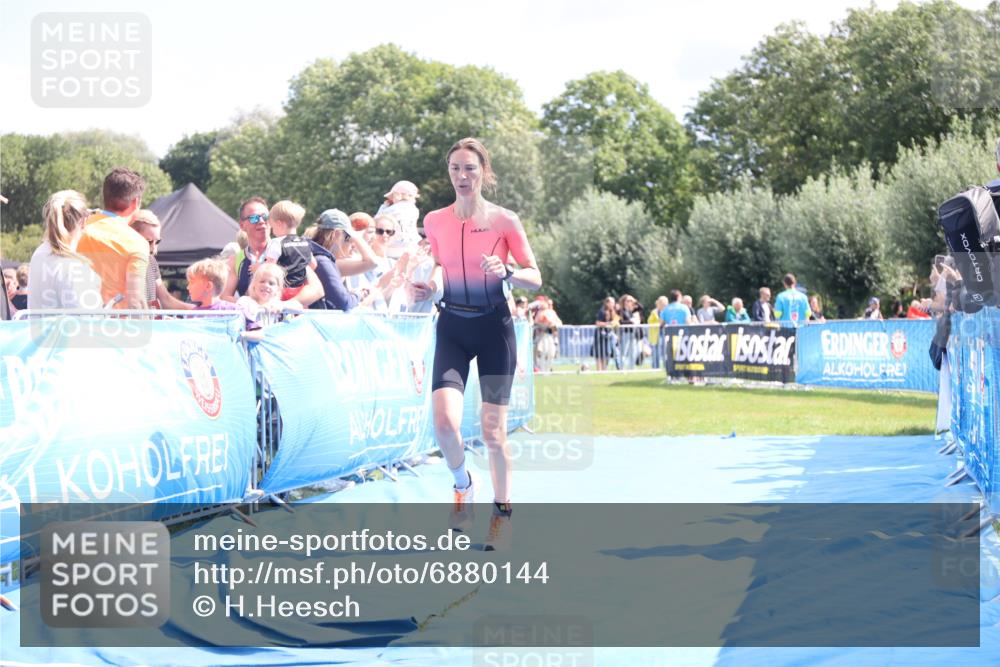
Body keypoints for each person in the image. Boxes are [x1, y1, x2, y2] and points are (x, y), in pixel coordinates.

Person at [410, 138, 541, 550]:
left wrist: (507, 272)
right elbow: (436, 261)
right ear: (448, 173)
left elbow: (534, 275)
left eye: (470, 169)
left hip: (494, 329)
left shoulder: (504, 221)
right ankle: (463, 484)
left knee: (493, 433)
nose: (462, 177)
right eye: (455, 169)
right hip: (451, 325)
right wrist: (427, 284)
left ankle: (502, 513)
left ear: (484, 172)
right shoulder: (434, 220)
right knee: (444, 425)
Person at [221, 196, 324, 308]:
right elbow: (224, 297)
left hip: (288, 322)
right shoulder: (235, 260)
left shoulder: (290, 249)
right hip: (253, 323)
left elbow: (317, 290)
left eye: (265, 217)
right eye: (254, 218)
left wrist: (283, 306)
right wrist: (250, 305)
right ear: (242, 225)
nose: (261, 221)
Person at [76, 167, 149, 309]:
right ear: (136, 202)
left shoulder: (75, 230)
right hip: (115, 328)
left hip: (75, 324)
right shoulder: (137, 243)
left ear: (105, 197)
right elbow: (136, 300)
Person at [27, 190, 103, 310]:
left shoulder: (40, 253)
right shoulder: (74, 267)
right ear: (83, 221)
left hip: (41, 328)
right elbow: (86, 320)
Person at [263, 200, 316, 301]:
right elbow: (313, 264)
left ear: (279, 224)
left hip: (282, 292)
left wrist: (258, 267)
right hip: (302, 292)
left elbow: (269, 268)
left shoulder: (277, 242)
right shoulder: (305, 243)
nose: (273, 232)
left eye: (273, 227)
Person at [377, 180, 421, 255]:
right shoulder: (414, 210)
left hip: (393, 248)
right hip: (413, 246)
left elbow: (377, 219)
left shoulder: (390, 210)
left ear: (397, 195)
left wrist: (384, 206)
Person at [594, 296, 621, 371]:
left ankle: (604, 370)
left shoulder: (613, 312)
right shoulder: (602, 311)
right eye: (611, 302)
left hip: (608, 335)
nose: (613, 304)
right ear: (607, 303)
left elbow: (616, 320)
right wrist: (608, 323)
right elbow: (598, 323)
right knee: (599, 354)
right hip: (600, 335)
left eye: (614, 302)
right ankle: (599, 370)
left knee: (607, 353)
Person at [648, 296, 667, 369]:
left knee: (665, 351)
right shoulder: (654, 312)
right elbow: (649, 321)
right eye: (661, 303)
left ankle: (666, 366)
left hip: (665, 333)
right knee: (655, 351)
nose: (663, 304)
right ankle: (655, 367)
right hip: (656, 334)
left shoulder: (667, 311)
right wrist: (658, 322)